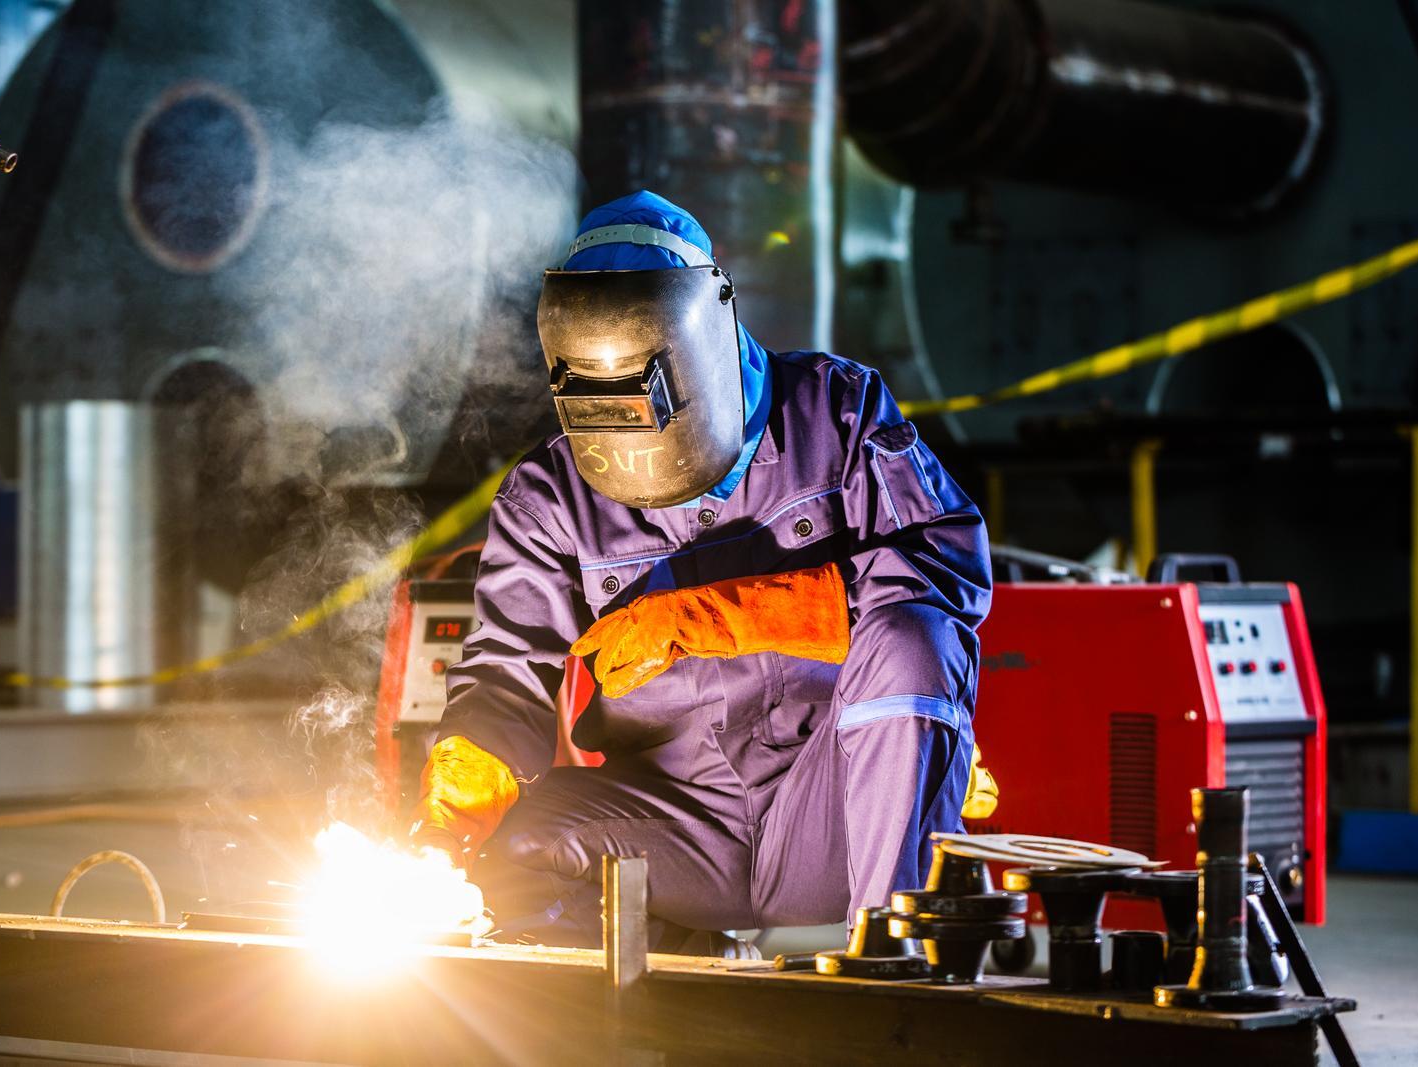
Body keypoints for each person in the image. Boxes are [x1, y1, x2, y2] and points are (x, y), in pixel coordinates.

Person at [412, 191, 996, 948]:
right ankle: (672, 977)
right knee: (506, 857)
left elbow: (946, 568)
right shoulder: (549, 494)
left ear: (704, 330)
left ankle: (893, 956)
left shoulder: (837, 411)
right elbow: (505, 672)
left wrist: (719, 616)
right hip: (678, 821)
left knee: (916, 636)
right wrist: (451, 813)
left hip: (838, 806)